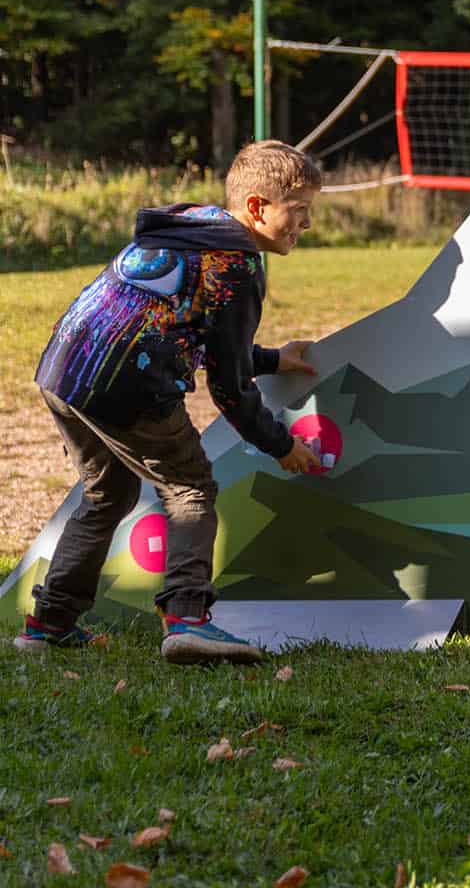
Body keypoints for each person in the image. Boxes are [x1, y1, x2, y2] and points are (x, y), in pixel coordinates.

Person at [20, 140, 327, 663]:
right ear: (257, 207)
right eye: (299, 213)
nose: (306, 226)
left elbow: (192, 336)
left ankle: (49, 623)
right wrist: (280, 445)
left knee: (107, 495)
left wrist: (273, 359)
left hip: (64, 370)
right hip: (126, 383)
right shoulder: (236, 265)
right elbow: (229, 387)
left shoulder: (196, 226)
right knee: (189, 487)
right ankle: (187, 618)